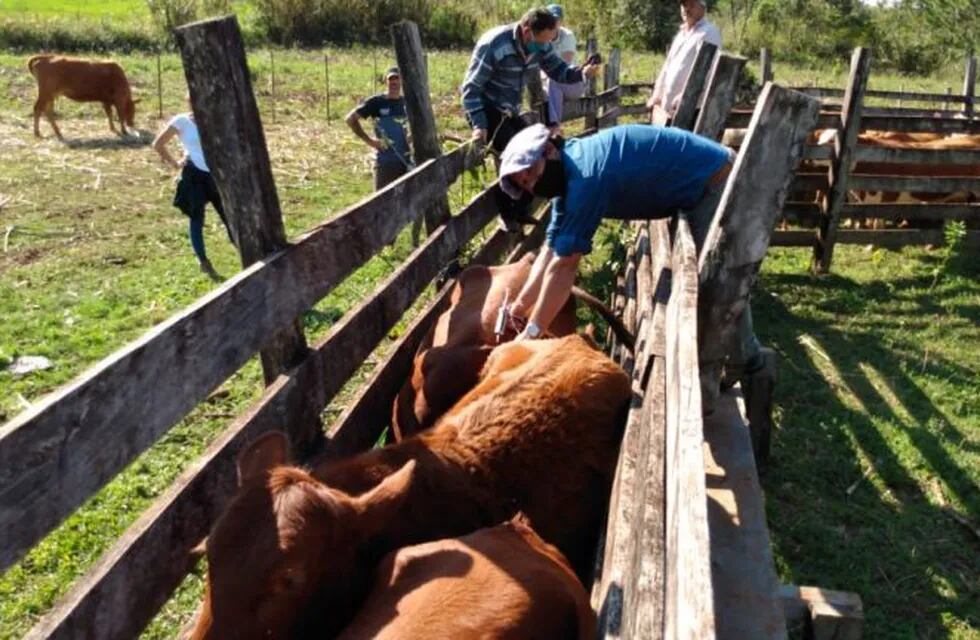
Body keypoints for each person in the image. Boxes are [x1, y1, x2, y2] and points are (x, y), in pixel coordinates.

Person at [497, 123, 763, 378]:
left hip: (715, 181)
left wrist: (531, 332)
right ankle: (738, 356)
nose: (532, 185)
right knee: (708, 278)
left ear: (549, 150)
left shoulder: (586, 176)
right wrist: (518, 308)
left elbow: (565, 265)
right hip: (701, 179)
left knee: (713, 279)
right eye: (525, 185)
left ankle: (746, 359)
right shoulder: (568, 172)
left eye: (531, 173)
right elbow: (550, 250)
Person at [461, 7, 600, 231]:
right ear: (527, 31)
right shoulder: (495, 45)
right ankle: (507, 214)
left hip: (511, 109)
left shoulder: (540, 45)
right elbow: (470, 89)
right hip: (487, 106)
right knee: (515, 155)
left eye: (547, 42)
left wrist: (582, 72)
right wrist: (479, 123)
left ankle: (520, 208)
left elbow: (559, 70)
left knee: (538, 149)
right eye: (540, 41)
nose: (542, 46)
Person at [153, 108, 233, 281]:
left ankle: (248, 256)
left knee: (229, 216)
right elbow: (158, 144)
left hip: (216, 175)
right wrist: (175, 163)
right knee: (197, 218)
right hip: (194, 174)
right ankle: (203, 262)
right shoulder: (182, 121)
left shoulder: (215, 119)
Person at [647, 0, 722, 124]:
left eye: (691, 5)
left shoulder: (708, 33)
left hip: (691, 109)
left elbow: (710, 71)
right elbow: (667, 66)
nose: (686, 9)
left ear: (702, 7)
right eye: (684, 5)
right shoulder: (681, 34)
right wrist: (657, 94)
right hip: (670, 108)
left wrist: (686, 96)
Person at [346, 67, 413, 191]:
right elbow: (350, 119)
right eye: (391, 79)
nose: (394, 82)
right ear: (385, 81)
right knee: (381, 203)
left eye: (397, 78)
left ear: (402, 81)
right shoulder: (376, 102)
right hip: (385, 162)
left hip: (406, 162)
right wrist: (370, 141)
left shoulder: (407, 103)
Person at [540, 4, 585, 127]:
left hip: (572, 82)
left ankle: (555, 125)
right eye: (551, 19)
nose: (554, 23)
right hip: (550, 83)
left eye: (557, 20)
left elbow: (564, 68)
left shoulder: (567, 36)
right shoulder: (543, 37)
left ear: (561, 21)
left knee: (553, 78)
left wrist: (544, 76)